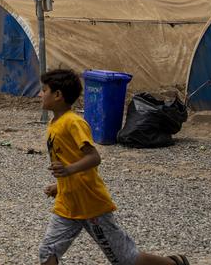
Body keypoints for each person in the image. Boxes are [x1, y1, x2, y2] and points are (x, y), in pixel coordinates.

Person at [38, 69, 189, 265]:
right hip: (68, 203)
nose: (40, 94)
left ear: (57, 95)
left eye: (44, 90)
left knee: (126, 259)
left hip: (91, 204)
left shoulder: (73, 122)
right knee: (47, 250)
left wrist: (68, 171)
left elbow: (93, 158)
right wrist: (60, 186)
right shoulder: (54, 123)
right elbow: (71, 160)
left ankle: (173, 263)